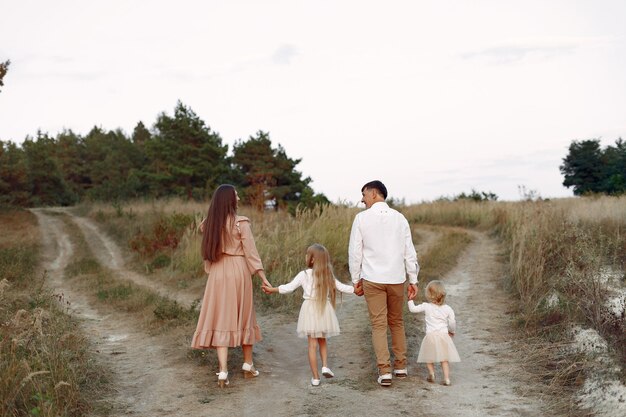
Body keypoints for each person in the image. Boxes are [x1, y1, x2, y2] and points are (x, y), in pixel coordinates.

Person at [191, 184, 272, 388]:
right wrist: (262, 276)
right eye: (235, 195)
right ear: (229, 200)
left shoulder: (210, 223)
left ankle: (223, 372)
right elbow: (251, 252)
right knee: (244, 315)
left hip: (218, 272)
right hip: (238, 270)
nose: (238, 197)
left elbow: (203, 230)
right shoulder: (240, 223)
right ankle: (247, 364)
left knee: (220, 317)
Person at [348, 180, 419, 386]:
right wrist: (413, 279)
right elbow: (409, 251)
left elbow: (355, 252)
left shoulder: (361, 219)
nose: (362, 199)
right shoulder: (400, 218)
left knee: (379, 325)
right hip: (396, 278)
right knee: (396, 322)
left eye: (363, 194)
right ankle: (401, 367)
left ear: (374, 193)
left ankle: (385, 371)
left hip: (372, 279)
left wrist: (355, 280)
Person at [262, 244, 355, 386]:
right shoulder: (327, 274)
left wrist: (272, 289)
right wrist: (357, 289)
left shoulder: (304, 274)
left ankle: (316, 378)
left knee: (312, 345)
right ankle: (324, 366)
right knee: (322, 340)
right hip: (324, 308)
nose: (305, 257)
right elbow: (342, 287)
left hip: (310, 309)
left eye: (307, 254)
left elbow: (289, 288)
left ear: (312, 260)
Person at [407, 280, 460, 386]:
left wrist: (410, 299)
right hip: (443, 336)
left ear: (429, 295)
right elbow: (452, 322)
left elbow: (413, 309)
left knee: (429, 356)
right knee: (444, 359)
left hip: (430, 336)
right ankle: (447, 378)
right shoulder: (448, 309)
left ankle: (431, 373)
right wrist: (452, 331)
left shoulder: (426, 306)